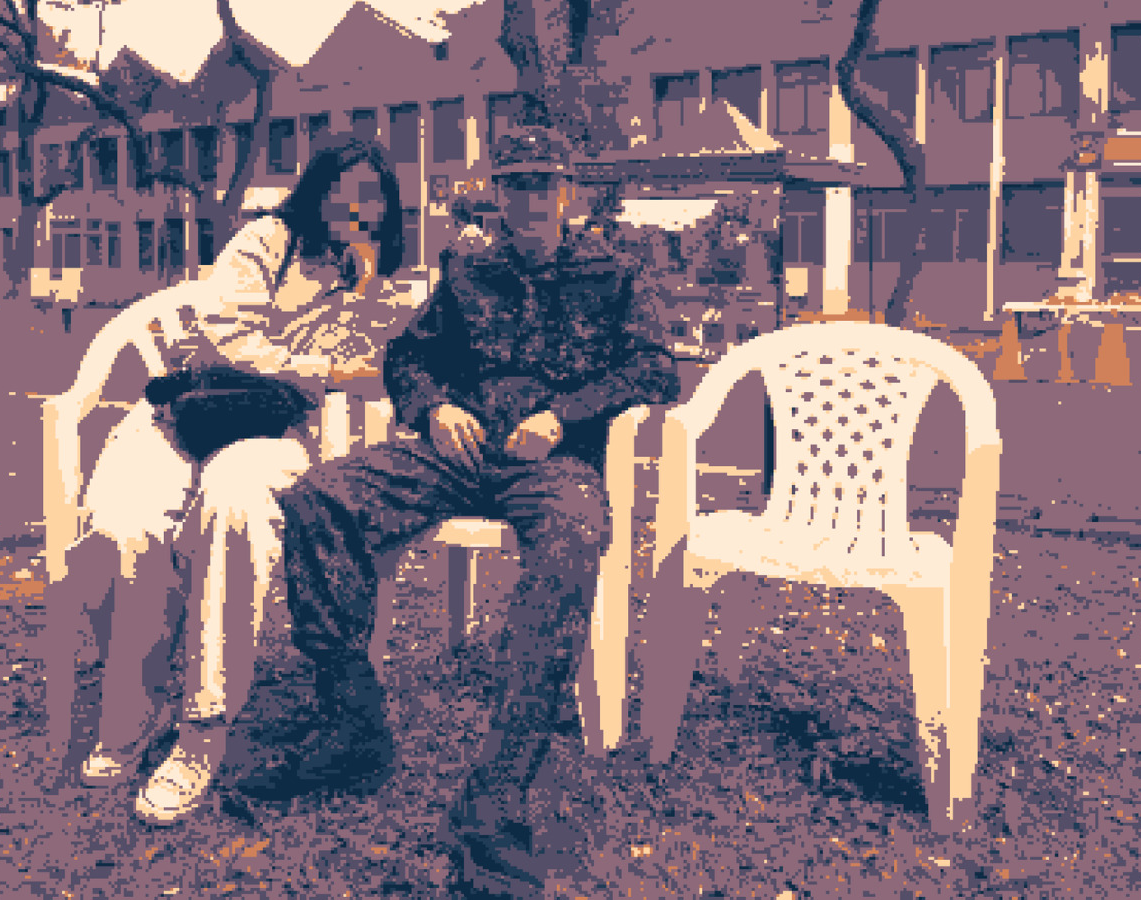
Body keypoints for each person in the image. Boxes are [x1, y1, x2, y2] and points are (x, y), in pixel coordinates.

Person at [258, 126, 681, 895]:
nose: (530, 198)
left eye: (543, 183)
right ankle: (351, 721)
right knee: (320, 497)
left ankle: (498, 795)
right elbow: (408, 355)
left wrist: (563, 417)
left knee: (573, 542)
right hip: (458, 452)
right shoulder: (468, 269)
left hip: (554, 464)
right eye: (516, 184)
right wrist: (434, 407)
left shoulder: (615, 272)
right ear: (498, 193)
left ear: (567, 192)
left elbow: (654, 367)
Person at [39, 137, 413, 825]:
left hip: (280, 433)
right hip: (189, 411)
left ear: (389, 208)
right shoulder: (267, 242)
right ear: (316, 189)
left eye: (371, 195)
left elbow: (379, 370)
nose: (354, 206)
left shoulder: (381, 285)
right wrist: (318, 369)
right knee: (125, 527)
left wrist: (359, 294)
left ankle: (200, 735)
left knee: (233, 510)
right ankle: (134, 712)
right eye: (342, 188)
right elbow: (226, 340)